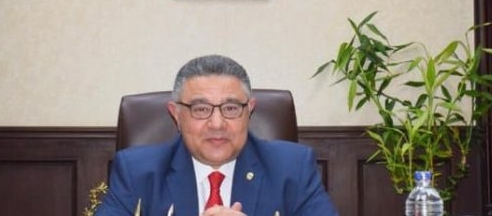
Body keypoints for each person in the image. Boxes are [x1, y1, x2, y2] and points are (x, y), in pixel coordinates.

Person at [96, 54, 339, 215]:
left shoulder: (292, 168)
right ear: (176, 114)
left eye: (231, 108)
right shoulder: (137, 172)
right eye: (201, 109)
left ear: (249, 110)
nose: (217, 123)